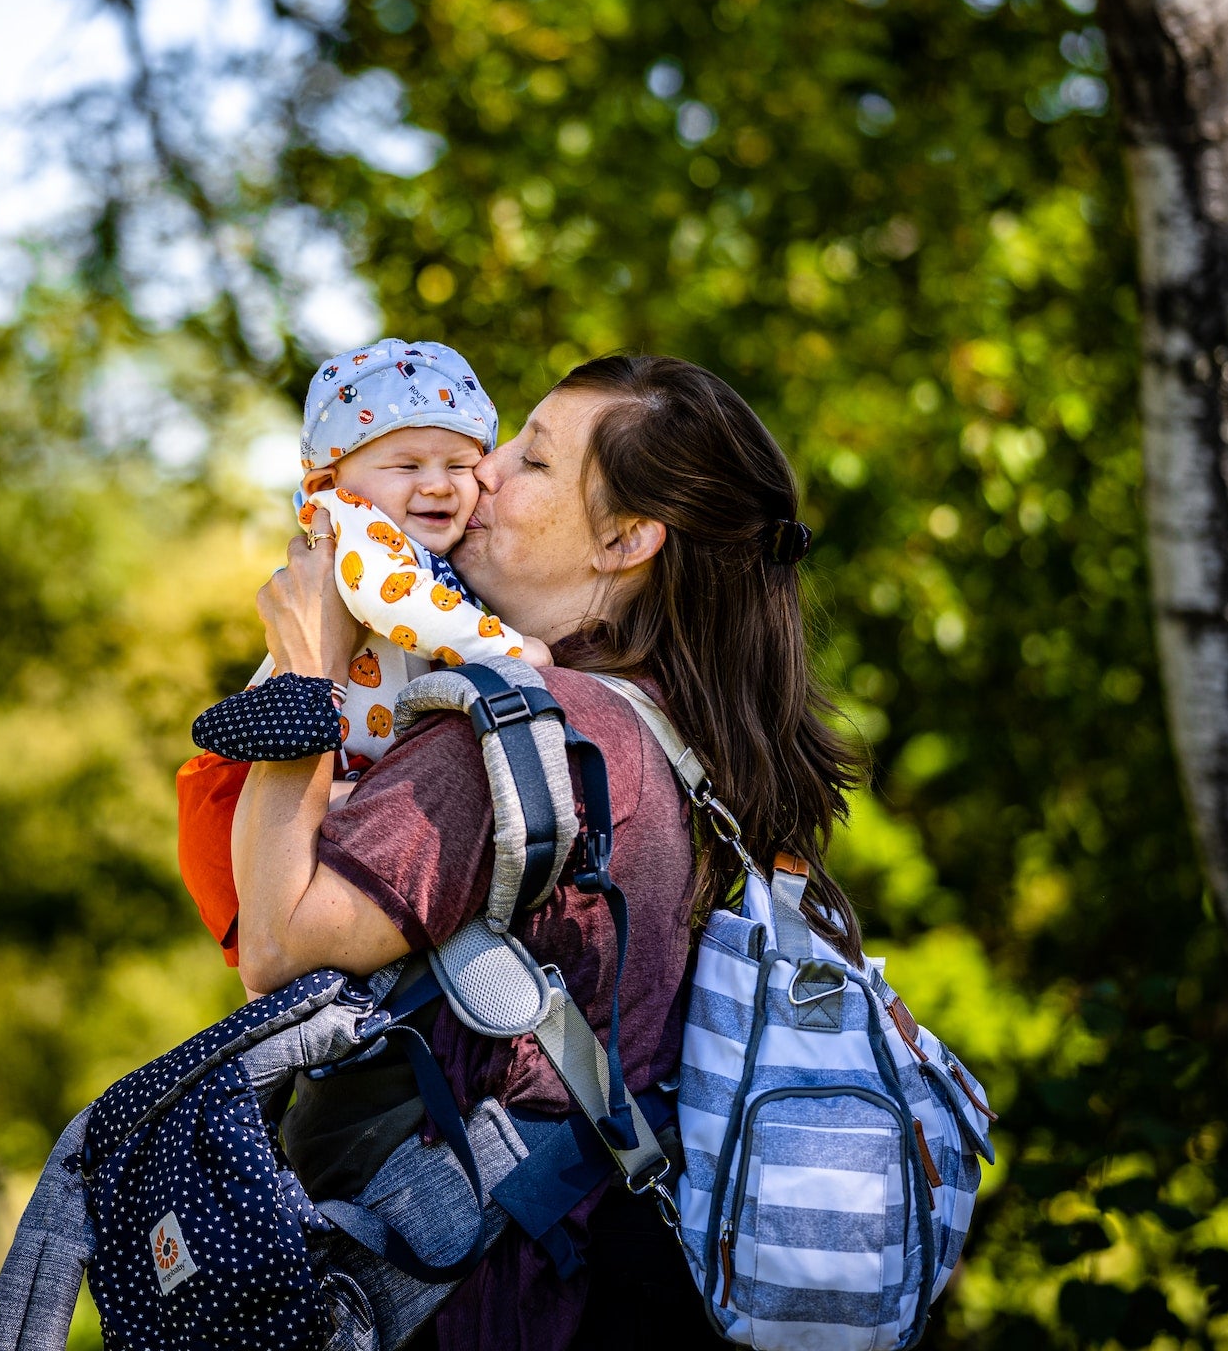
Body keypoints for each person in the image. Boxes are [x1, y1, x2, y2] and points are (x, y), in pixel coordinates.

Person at [236, 354, 866, 1350]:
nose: (479, 473)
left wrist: (303, 681)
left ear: (627, 539)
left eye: (530, 459)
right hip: (633, 1285)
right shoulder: (699, 744)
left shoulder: (521, 734)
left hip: (496, 1298)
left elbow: (278, 946)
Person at [177, 338, 546, 965]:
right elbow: (393, 600)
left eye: (459, 466)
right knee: (294, 932)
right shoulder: (353, 524)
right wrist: (511, 650)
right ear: (329, 479)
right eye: (406, 466)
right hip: (252, 785)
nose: (437, 485)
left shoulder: (423, 548)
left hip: (335, 770)